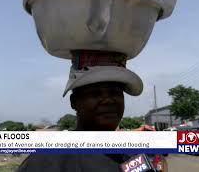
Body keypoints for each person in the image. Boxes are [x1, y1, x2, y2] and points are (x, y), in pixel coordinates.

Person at [17, 51, 151, 172]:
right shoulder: (46, 161)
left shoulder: (132, 156)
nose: (108, 100)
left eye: (115, 91)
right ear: (74, 102)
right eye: (95, 93)